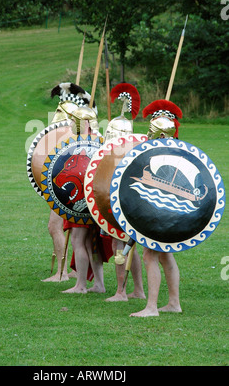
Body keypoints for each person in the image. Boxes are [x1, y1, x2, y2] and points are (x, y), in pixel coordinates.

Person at [130, 99, 183, 317]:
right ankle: (173, 303)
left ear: (161, 134)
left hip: (160, 213)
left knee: (150, 256)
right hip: (172, 215)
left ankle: (151, 307)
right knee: (165, 256)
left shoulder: (162, 157)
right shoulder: (180, 153)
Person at [42, 82, 98, 282]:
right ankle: (74, 272)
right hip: (72, 189)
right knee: (76, 233)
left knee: (55, 227)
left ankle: (63, 272)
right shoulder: (74, 137)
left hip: (71, 191)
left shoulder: (84, 139)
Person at [59, 105, 113, 294]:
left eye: (75, 120)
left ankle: (80, 285)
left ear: (83, 123)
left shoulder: (76, 145)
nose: (72, 123)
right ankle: (99, 284)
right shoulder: (102, 142)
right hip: (96, 201)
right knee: (93, 242)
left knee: (78, 241)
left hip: (80, 200)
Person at [102, 83, 145, 302]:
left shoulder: (117, 155)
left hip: (119, 208)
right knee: (131, 246)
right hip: (133, 208)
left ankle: (121, 292)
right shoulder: (137, 152)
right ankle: (138, 290)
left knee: (119, 245)